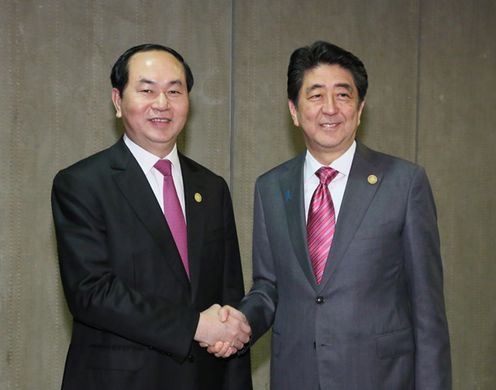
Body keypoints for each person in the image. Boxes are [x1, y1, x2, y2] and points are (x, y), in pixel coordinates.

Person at [211, 41, 452, 389]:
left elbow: (428, 309)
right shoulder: (271, 187)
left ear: (360, 108)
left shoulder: (404, 182)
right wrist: (240, 321)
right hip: (297, 376)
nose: (330, 109)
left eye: (343, 95)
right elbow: (268, 287)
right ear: (294, 111)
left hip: (381, 378)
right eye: (315, 95)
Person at [51, 44, 252, 390]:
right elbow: (92, 293)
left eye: (175, 91)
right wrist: (193, 326)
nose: (162, 103)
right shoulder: (81, 183)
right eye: (147, 90)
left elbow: (229, 294)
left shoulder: (212, 187)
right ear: (117, 100)